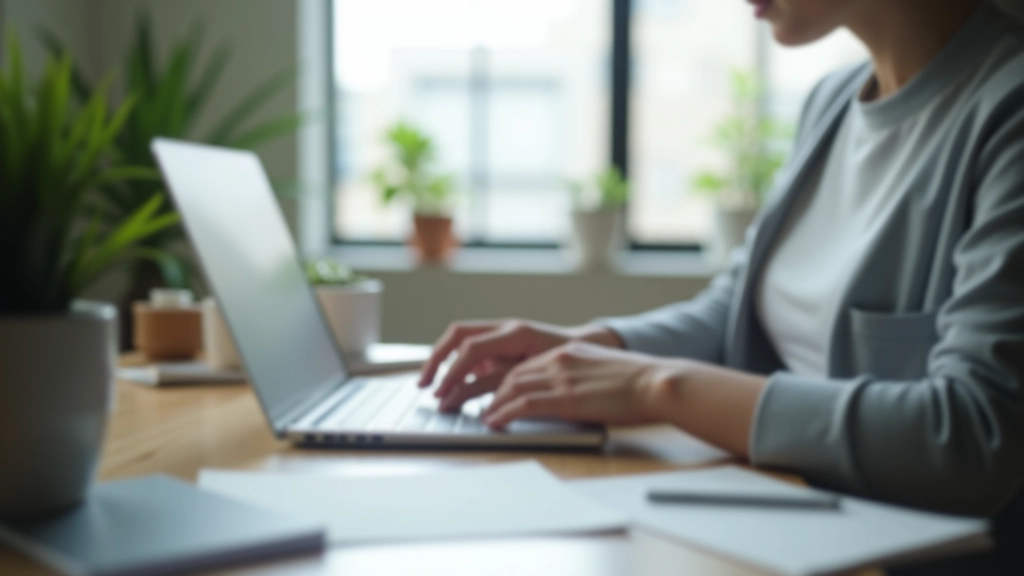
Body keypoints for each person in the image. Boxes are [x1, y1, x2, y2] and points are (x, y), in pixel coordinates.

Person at [418, 0, 1024, 572]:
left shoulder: (1008, 108)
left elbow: (973, 437)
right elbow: (738, 308)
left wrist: (660, 387)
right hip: (787, 522)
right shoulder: (832, 103)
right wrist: (593, 347)